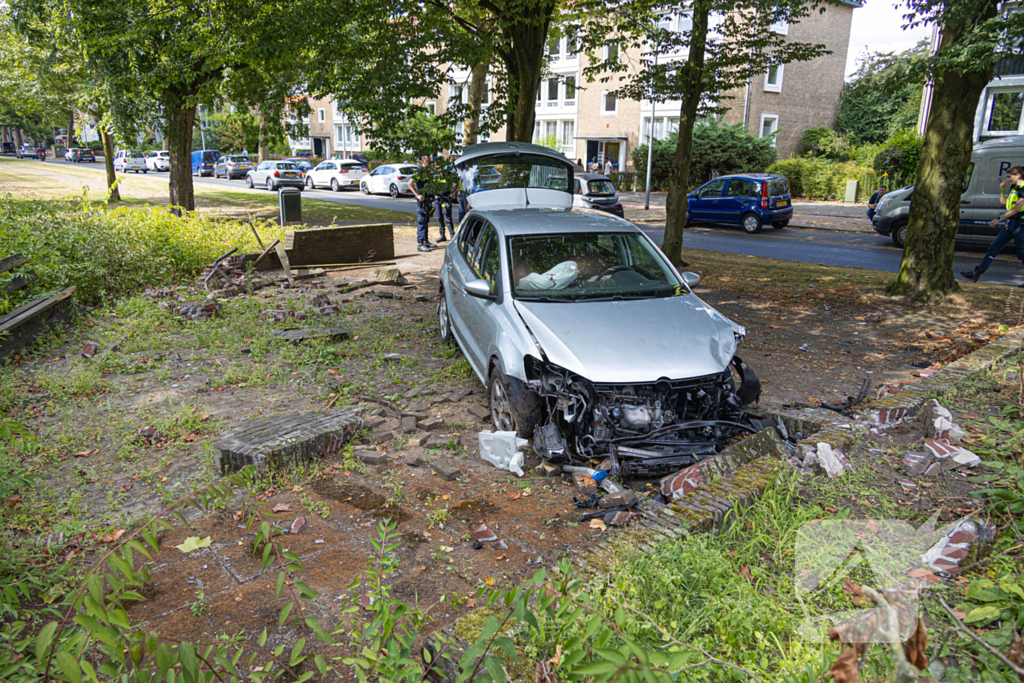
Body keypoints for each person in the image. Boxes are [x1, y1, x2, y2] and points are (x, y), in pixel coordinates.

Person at [961, 166, 1024, 286]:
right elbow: (1004, 203)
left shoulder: (1023, 189)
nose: (1008, 179)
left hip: (1020, 225)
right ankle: (977, 273)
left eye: (1009, 177)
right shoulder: (1014, 188)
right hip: (1011, 223)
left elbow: (1017, 208)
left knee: (1021, 253)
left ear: (1018, 175)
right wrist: (1002, 190)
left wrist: (998, 219)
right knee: (994, 248)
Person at [409, 155, 438, 253]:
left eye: (430, 161)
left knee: (426, 221)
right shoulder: (419, 172)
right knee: (421, 222)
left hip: (428, 200)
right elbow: (410, 183)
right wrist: (417, 195)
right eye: (427, 161)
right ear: (423, 161)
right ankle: (420, 243)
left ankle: (425, 241)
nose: (429, 163)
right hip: (422, 201)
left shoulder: (429, 173)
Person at [434, 157, 458, 242]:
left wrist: (453, 192)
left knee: (447, 218)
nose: (438, 166)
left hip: (445, 199)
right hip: (437, 199)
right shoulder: (434, 175)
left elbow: (458, 182)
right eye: (437, 164)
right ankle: (442, 235)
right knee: (439, 217)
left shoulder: (449, 174)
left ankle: (452, 235)